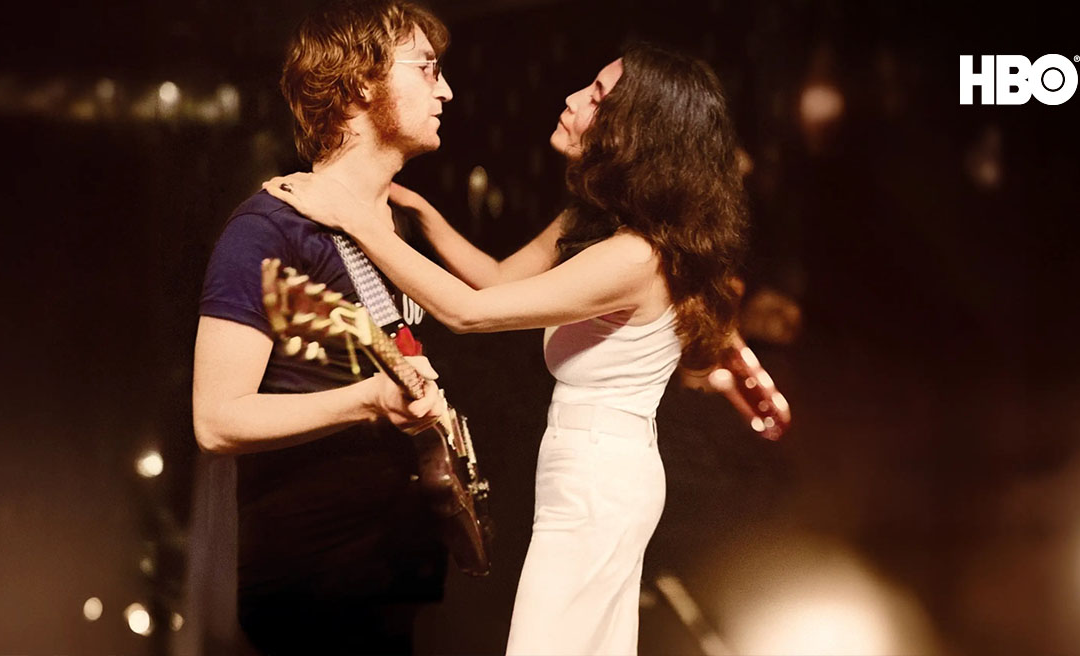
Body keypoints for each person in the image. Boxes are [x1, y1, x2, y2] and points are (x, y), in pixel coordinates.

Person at [266, 41, 750, 655]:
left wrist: (354, 220)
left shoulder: (634, 257)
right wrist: (415, 210)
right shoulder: (595, 222)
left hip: (601, 475)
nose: (572, 98)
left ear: (635, 132)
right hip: (592, 465)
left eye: (597, 96)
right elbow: (495, 280)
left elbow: (468, 314)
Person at [190, 1, 456, 653]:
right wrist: (366, 400)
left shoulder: (402, 227)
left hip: (392, 584)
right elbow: (215, 420)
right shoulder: (269, 230)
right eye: (426, 68)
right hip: (311, 594)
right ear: (361, 81)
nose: (446, 89)